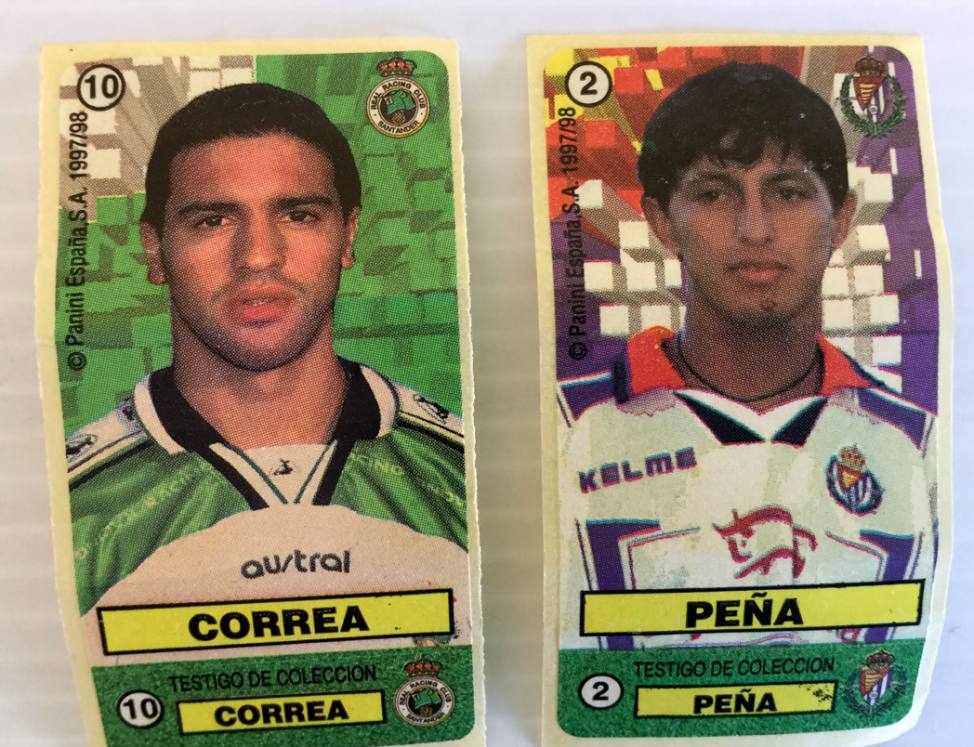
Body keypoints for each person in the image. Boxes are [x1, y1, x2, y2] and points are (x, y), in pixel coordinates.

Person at [561, 62, 937, 649]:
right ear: (662, 222)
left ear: (840, 219)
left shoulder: (916, 443)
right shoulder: (571, 426)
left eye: (788, 193)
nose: (755, 229)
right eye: (714, 193)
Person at [66, 83, 468, 618]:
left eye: (298, 215)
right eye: (213, 220)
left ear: (348, 235)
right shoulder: (77, 507)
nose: (258, 256)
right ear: (154, 248)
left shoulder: (459, 473)